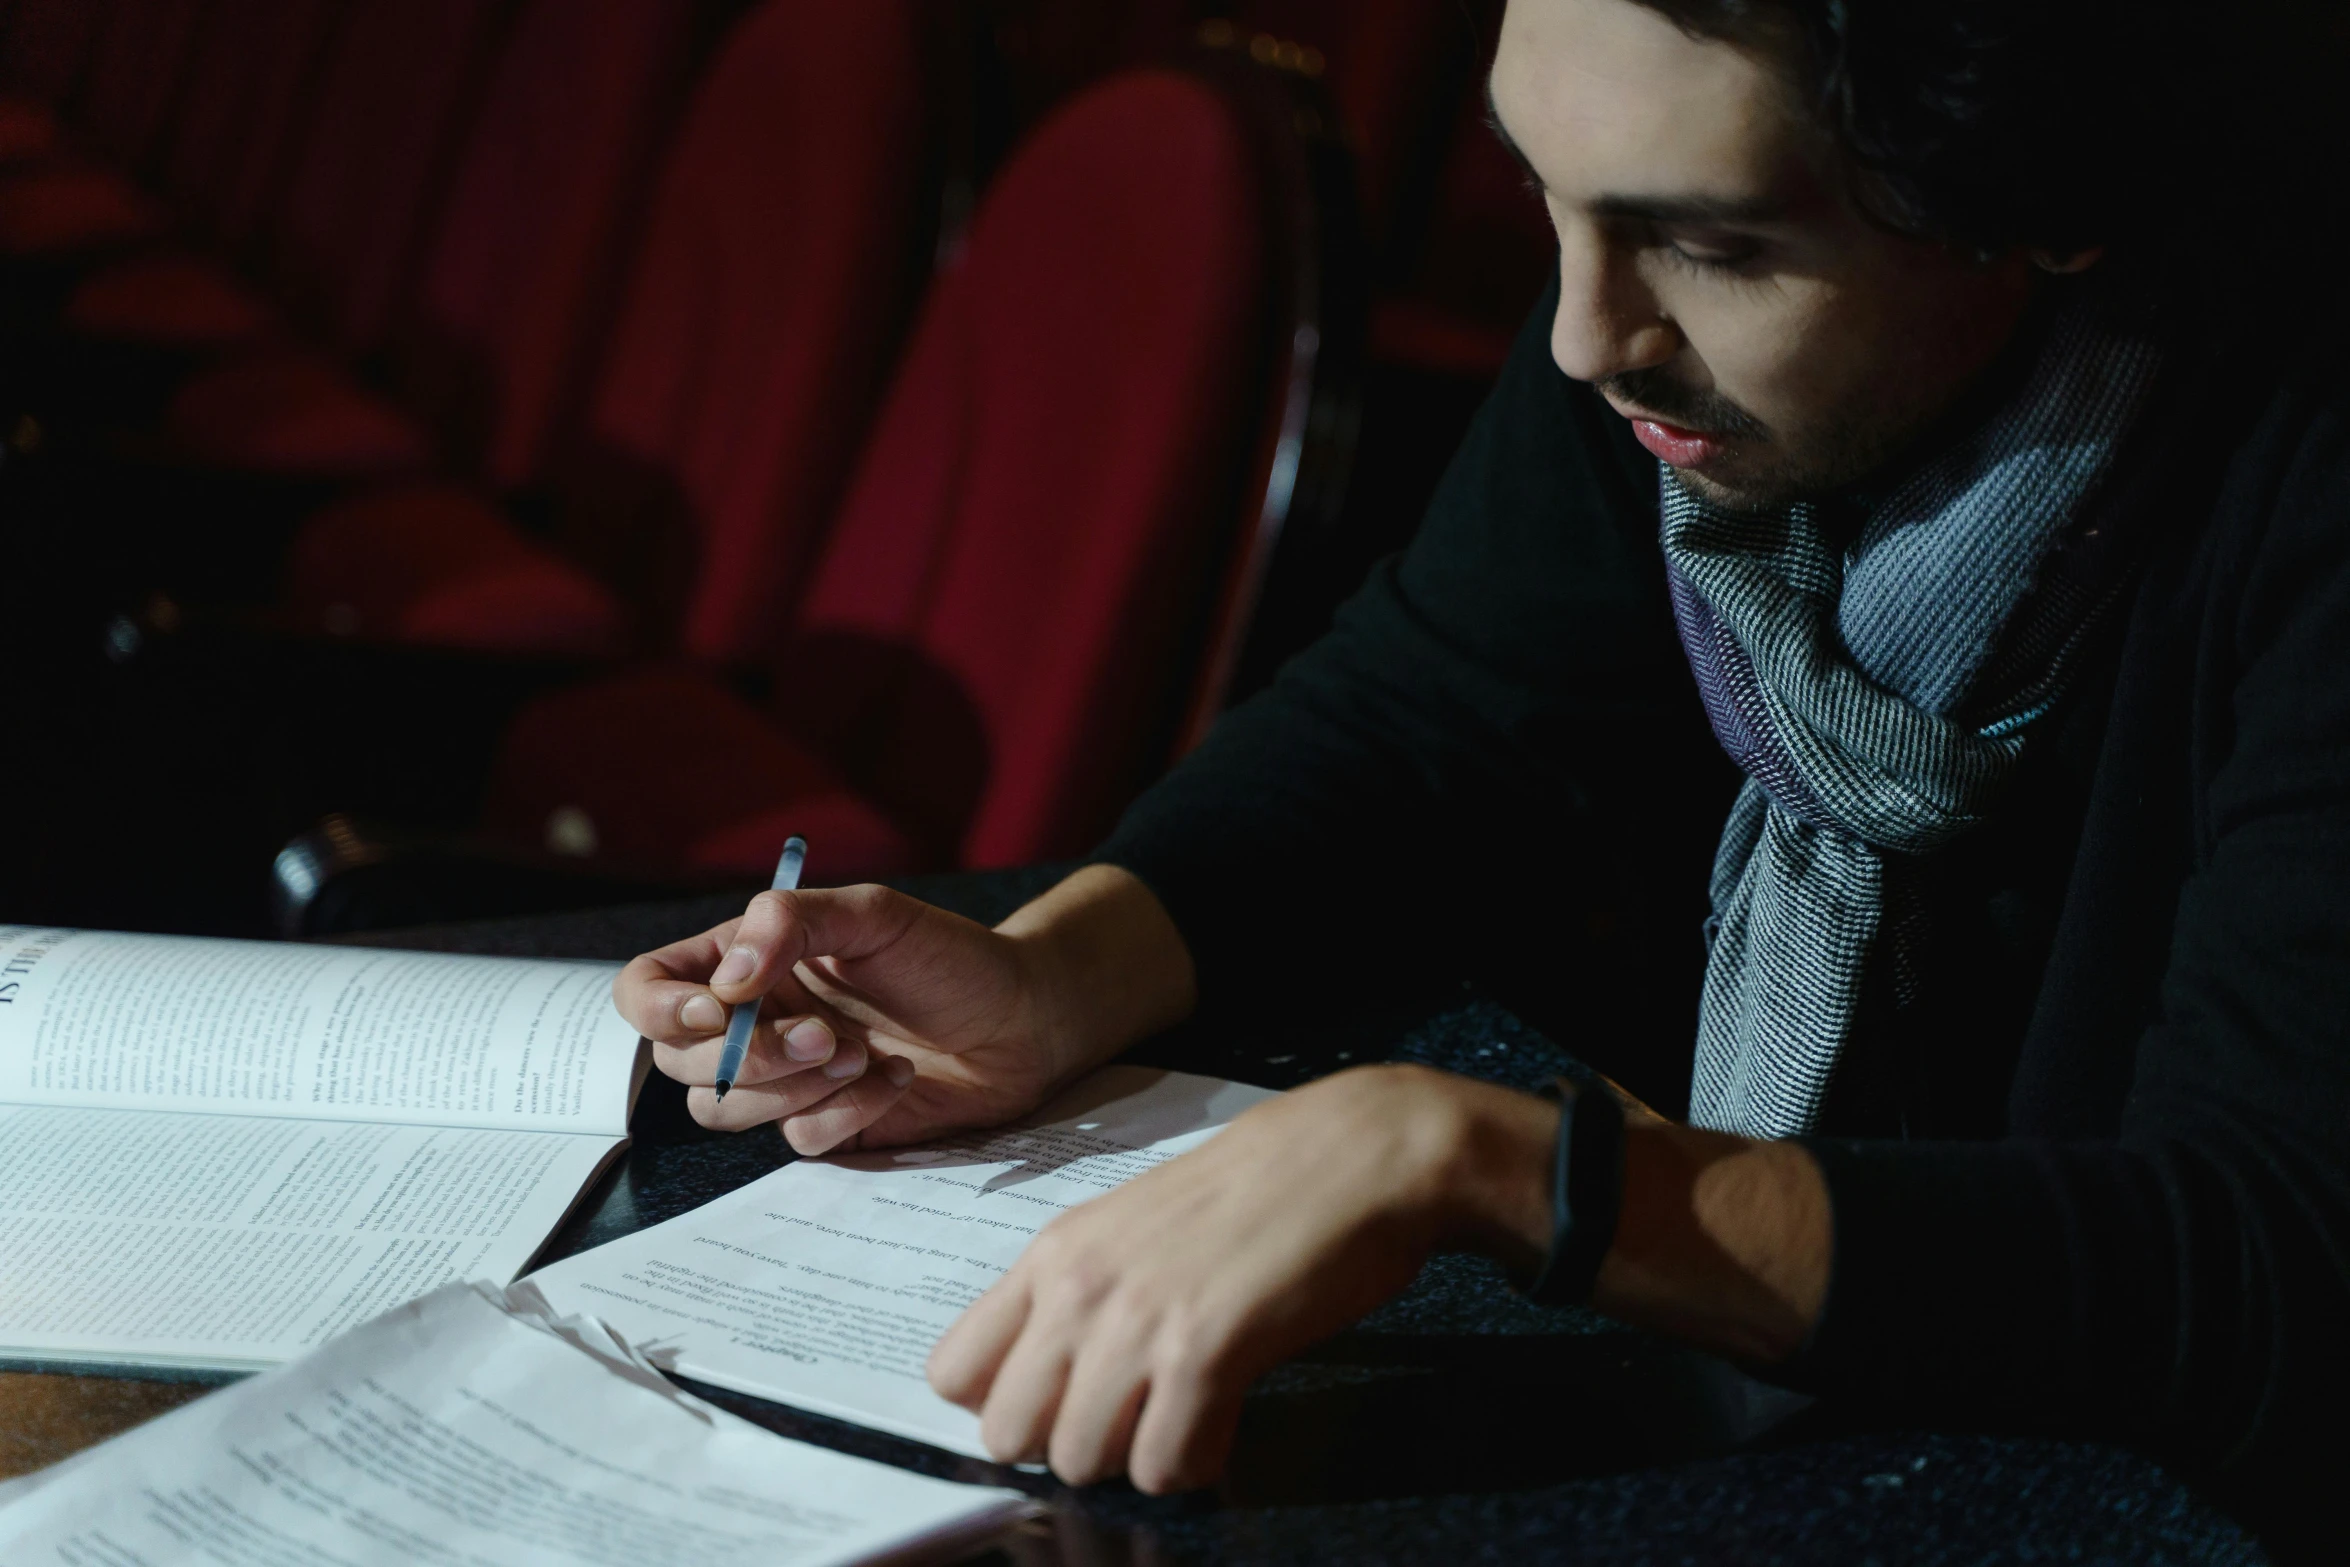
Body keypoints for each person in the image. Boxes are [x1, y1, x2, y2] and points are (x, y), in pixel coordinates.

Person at [613, 0, 2349, 1547]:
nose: (1588, 336)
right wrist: (1057, 970)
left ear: (2046, 209)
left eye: (1715, 244)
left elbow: (2261, 1269)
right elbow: (1430, 712)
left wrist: (1508, 1167)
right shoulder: (1674, 363)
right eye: (1544, 197)